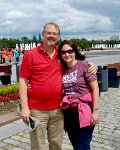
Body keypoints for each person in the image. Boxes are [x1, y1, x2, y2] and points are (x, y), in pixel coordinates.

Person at [19, 22, 97, 150]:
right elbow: (23, 81)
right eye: (48, 33)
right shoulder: (30, 55)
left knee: (56, 145)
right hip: (37, 110)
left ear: (58, 36)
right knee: (38, 146)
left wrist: (93, 65)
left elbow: (77, 64)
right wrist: (24, 107)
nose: (51, 36)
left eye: (54, 34)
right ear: (43, 34)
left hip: (58, 110)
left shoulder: (61, 54)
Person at [59, 40, 100, 150]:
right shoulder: (62, 69)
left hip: (84, 111)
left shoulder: (85, 66)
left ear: (75, 52)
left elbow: (95, 88)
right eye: (63, 52)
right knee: (75, 144)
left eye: (69, 51)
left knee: (83, 145)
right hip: (69, 113)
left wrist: (95, 111)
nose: (67, 54)